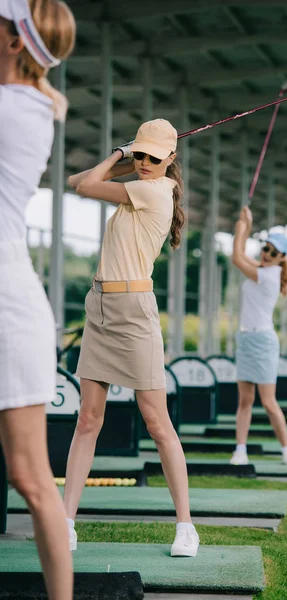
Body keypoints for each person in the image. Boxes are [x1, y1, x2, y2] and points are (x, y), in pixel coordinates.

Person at [65, 118, 200, 557]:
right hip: (100, 308)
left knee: (157, 422)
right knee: (88, 419)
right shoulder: (143, 184)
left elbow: (84, 186)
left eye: (153, 158)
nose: (145, 163)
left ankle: (186, 528)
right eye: (141, 154)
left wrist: (120, 156)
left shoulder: (157, 190)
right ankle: (65, 523)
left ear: (171, 161)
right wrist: (133, 160)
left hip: (135, 315)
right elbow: (74, 180)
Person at [0, 1, 76, 598]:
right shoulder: (28, 102)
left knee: (30, 477)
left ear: (13, 43)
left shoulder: (15, 110)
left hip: (7, 307)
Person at [230, 206, 287, 466]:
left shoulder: (269, 275)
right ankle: (240, 450)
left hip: (263, 342)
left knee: (268, 401)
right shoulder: (262, 267)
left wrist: (239, 232)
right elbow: (243, 257)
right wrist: (246, 226)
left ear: (282, 258)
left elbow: (237, 258)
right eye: (265, 248)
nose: (267, 254)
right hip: (246, 339)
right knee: (245, 400)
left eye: (273, 252)